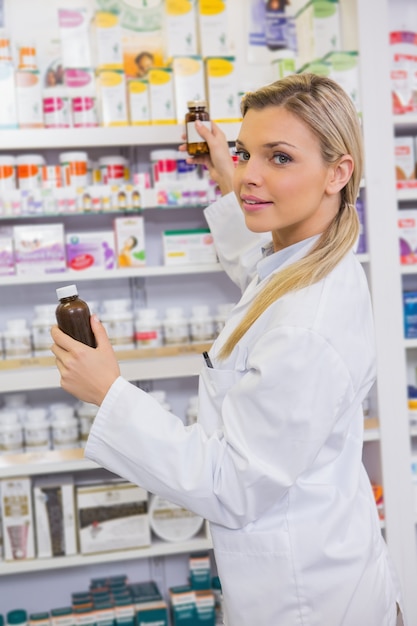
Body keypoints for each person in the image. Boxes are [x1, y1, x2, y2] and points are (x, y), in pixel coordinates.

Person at [51, 73, 405, 626]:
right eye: (245, 153)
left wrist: (109, 393)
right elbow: (260, 274)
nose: (249, 177)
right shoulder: (312, 262)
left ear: (338, 172)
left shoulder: (307, 325)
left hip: (307, 601)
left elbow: (230, 483)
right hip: (324, 563)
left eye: (280, 158)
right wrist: (228, 169)